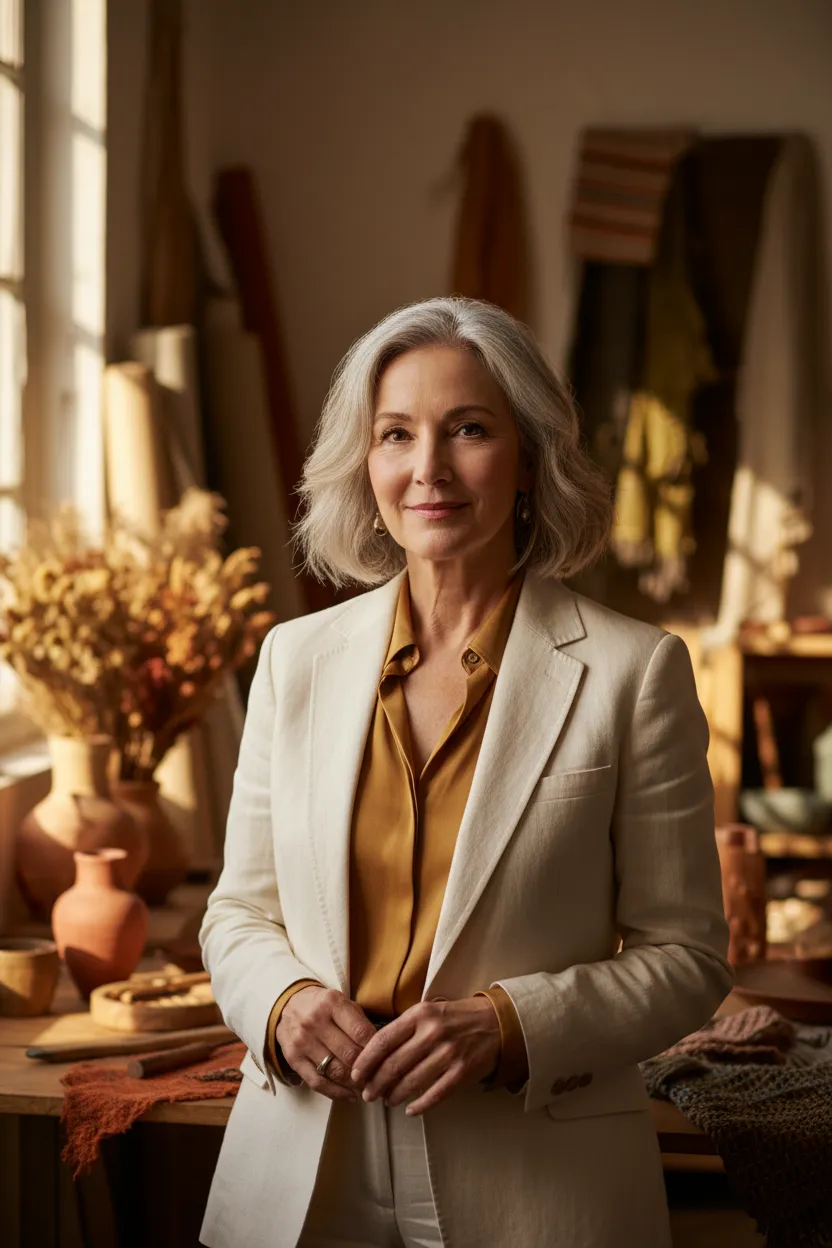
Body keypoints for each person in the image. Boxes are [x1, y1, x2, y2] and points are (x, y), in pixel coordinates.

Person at [199, 297, 733, 1248]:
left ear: (529, 458)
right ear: (365, 466)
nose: (428, 469)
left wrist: (508, 1026)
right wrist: (282, 1004)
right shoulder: (294, 658)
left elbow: (686, 959)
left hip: (535, 1179)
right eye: (396, 434)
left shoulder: (634, 671)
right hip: (303, 1169)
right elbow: (238, 913)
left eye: (470, 430)